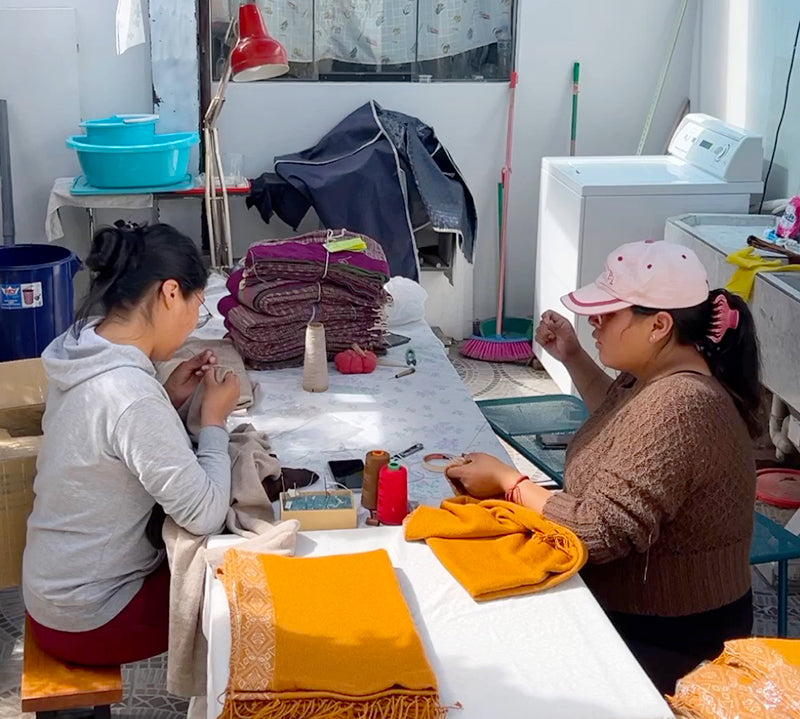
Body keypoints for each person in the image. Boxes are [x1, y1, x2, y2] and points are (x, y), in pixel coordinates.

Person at [447, 240, 761, 693]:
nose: (593, 322)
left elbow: (596, 532)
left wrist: (510, 482)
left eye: (607, 314)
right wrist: (572, 355)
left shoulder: (682, 405)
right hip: (646, 613)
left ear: (658, 325)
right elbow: (623, 422)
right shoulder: (660, 375)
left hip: (672, 638)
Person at [22, 223, 241, 666]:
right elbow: (204, 513)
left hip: (52, 590)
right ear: (170, 293)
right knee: (250, 590)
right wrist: (213, 420)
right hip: (92, 618)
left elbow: (109, 438)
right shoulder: (132, 396)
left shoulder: (80, 345)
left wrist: (169, 398)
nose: (191, 324)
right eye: (196, 308)